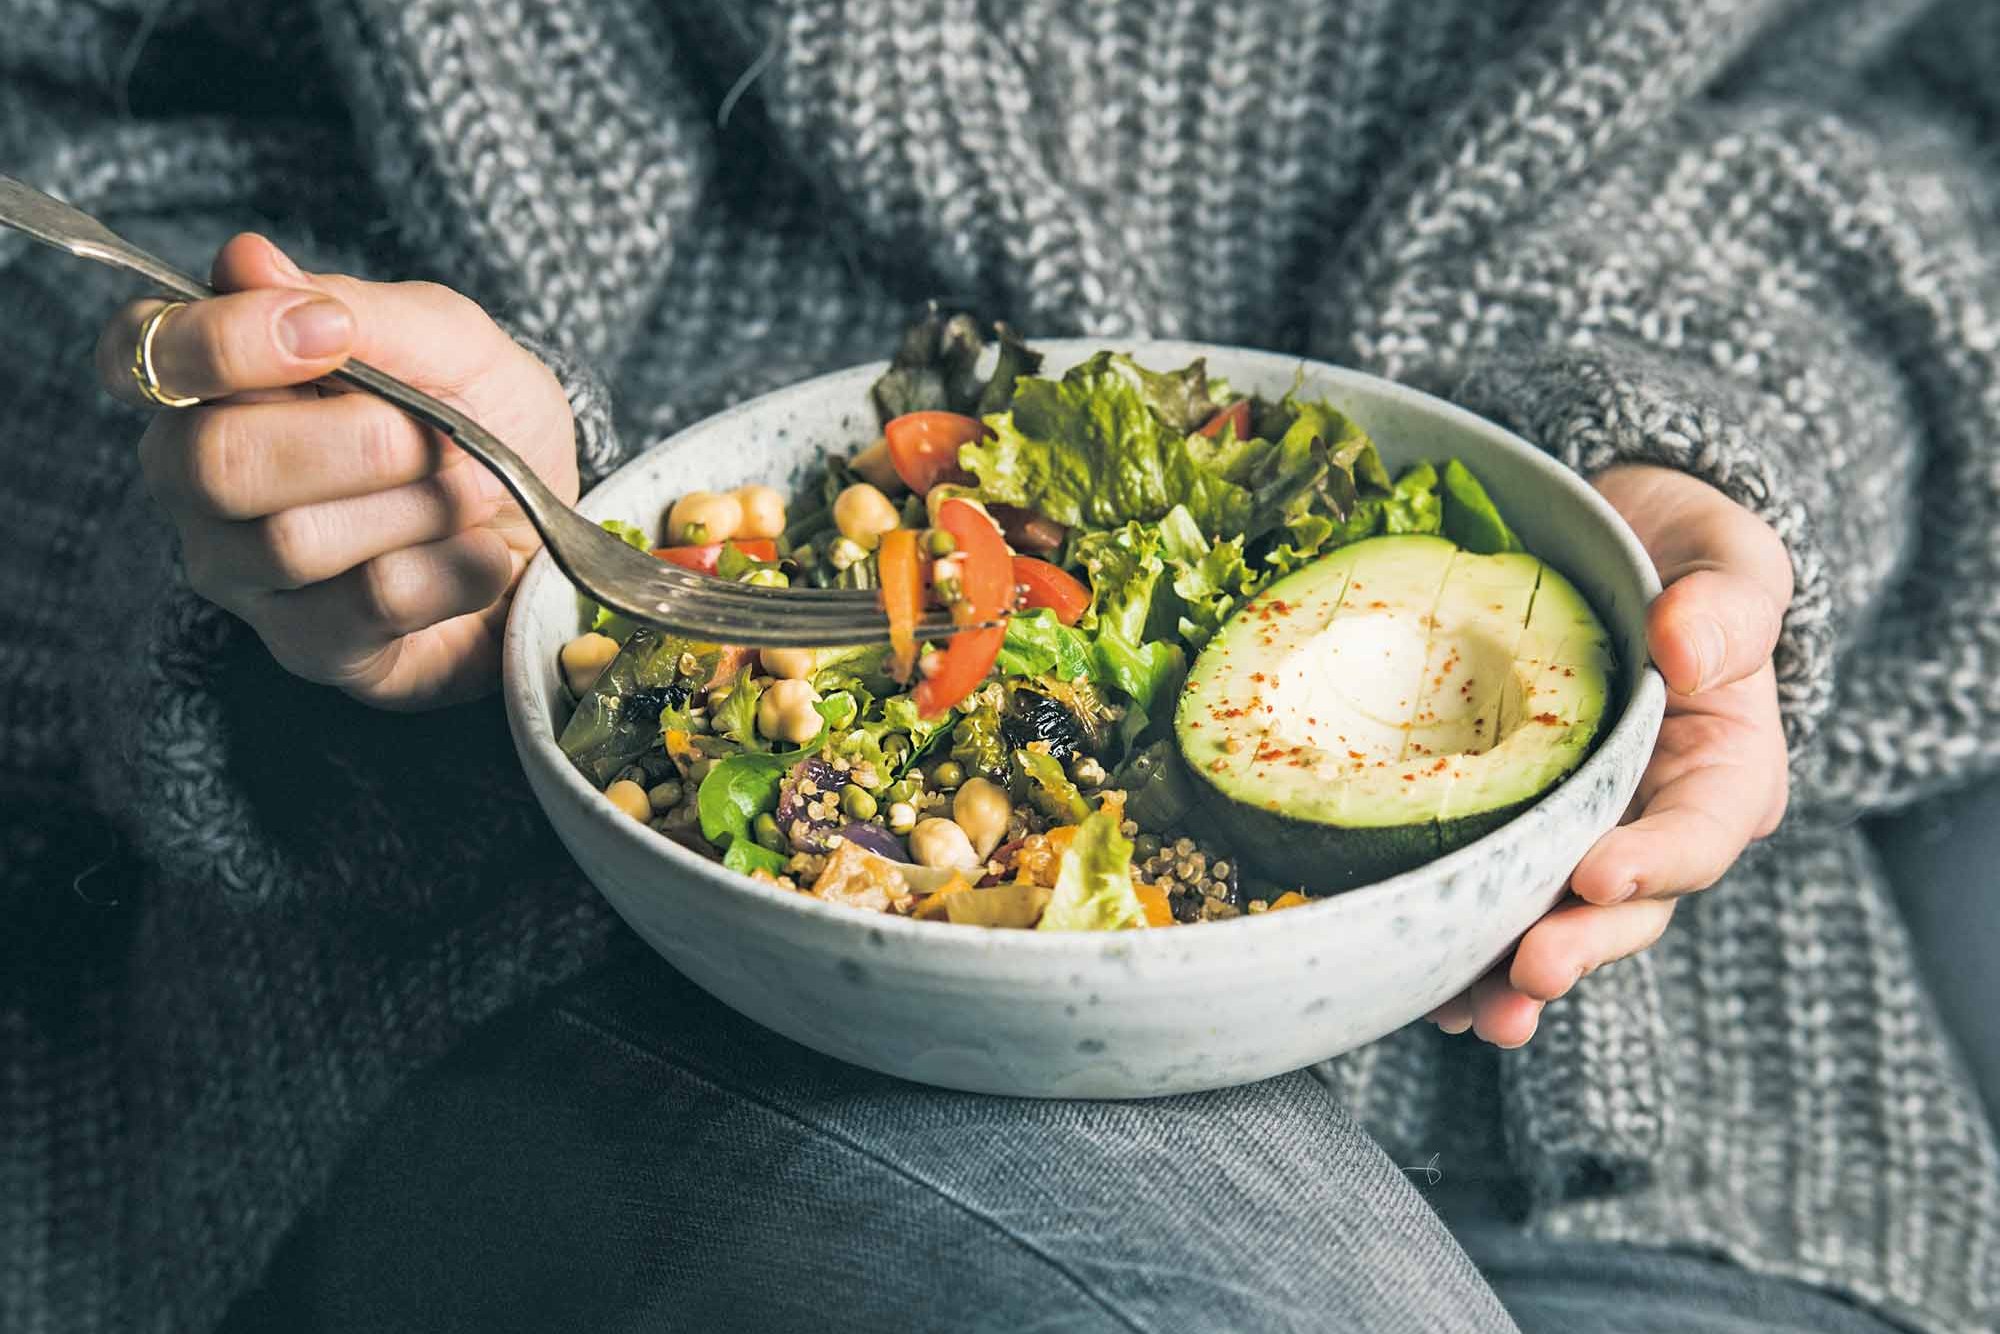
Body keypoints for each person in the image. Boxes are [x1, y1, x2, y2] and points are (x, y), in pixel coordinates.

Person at [3, 1, 1996, 1331]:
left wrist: (1697, 441)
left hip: (1673, 1078)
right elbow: (75, 138)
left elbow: (1927, 122)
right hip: (593, 953)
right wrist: (316, 507)